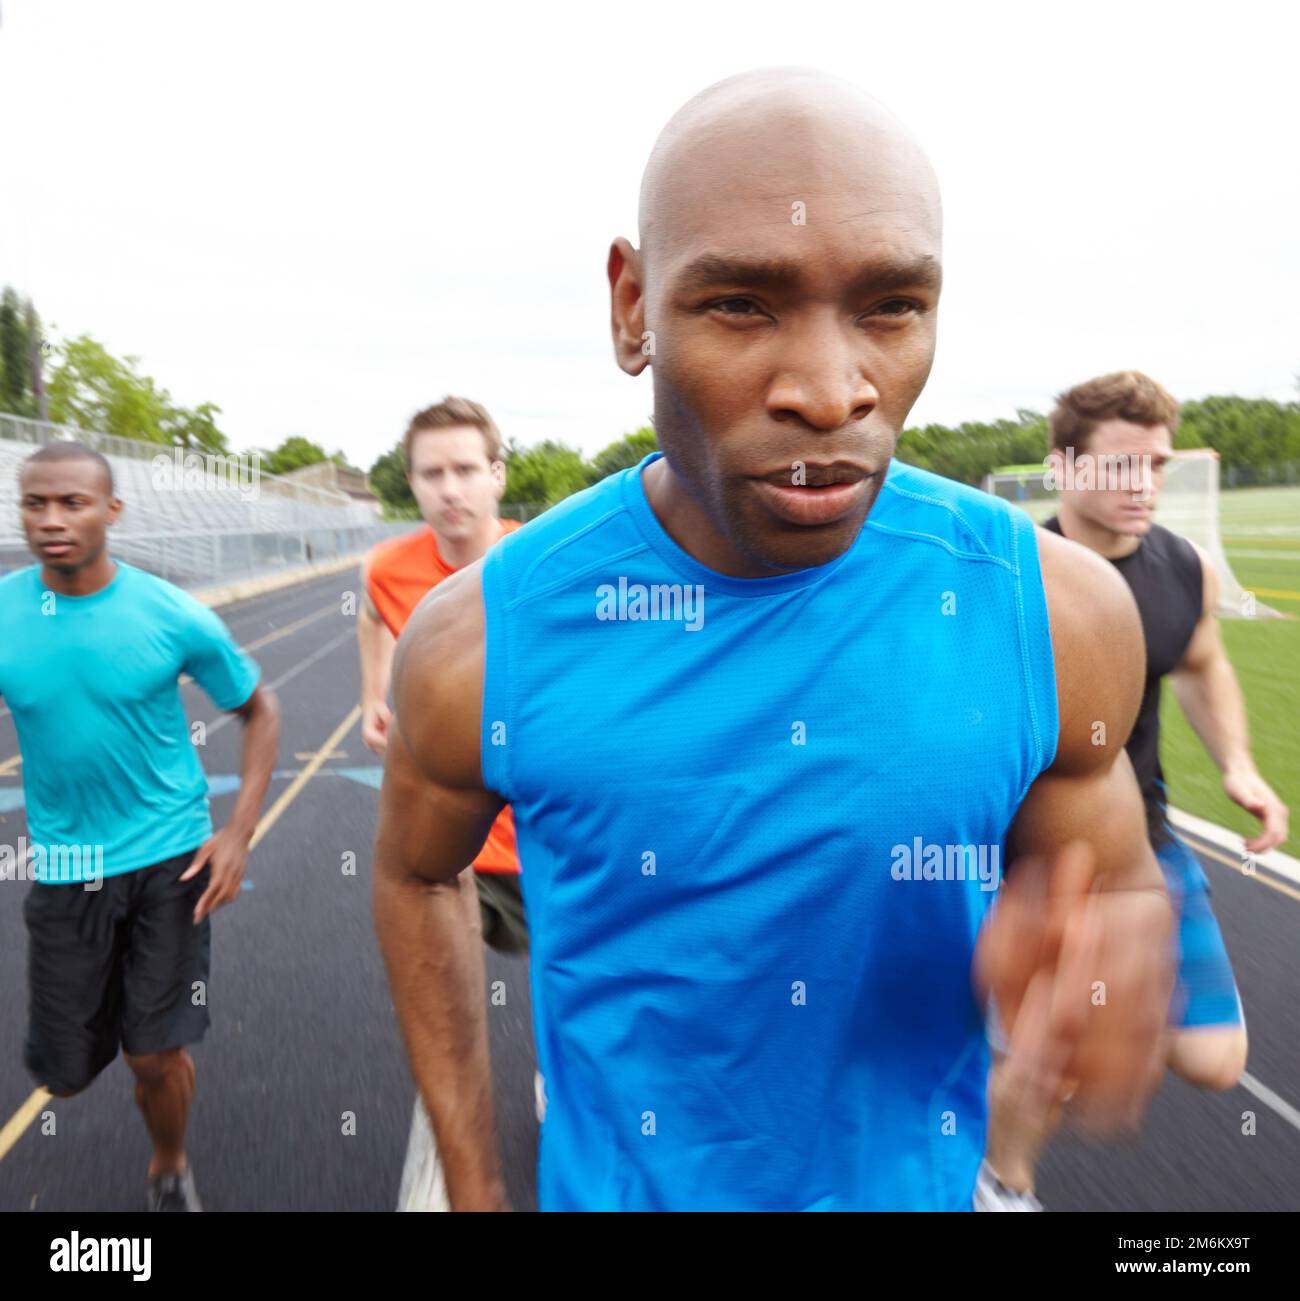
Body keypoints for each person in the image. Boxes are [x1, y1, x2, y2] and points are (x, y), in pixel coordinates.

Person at [373, 68, 1174, 1211]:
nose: (830, 389)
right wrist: (472, 1183)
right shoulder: (477, 644)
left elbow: (1110, 889)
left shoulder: (1058, 615)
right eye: (742, 304)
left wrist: (1109, 964)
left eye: (890, 306)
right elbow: (411, 872)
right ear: (631, 306)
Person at [978, 371, 1289, 1210]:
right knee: (1056, 1059)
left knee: (1216, 1062)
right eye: (1120, 467)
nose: (1144, 485)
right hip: (1028, 857)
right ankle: (1002, 1185)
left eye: (1156, 465)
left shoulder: (1183, 569)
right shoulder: (1009, 582)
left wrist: (1238, 765)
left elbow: (1202, 664)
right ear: (1064, 467)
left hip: (1140, 838)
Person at [0, 440, 280, 1211]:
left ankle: (168, 1166)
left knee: (153, 1053)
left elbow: (260, 708)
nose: (52, 519)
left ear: (111, 511)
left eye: (73, 502)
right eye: (35, 503)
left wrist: (239, 831)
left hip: (169, 859)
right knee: (63, 1070)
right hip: (66, 867)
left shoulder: (169, 613)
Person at [357, 398, 528, 1209]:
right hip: (458, 850)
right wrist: (371, 694)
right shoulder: (390, 568)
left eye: (466, 468)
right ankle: (448, 1165)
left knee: (578, 1016)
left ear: (497, 476)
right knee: (445, 1015)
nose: (450, 488)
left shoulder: (541, 565)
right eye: (432, 472)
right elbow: (371, 615)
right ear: (413, 484)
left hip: (548, 841)